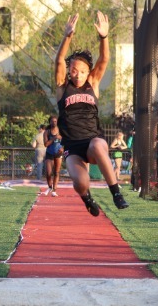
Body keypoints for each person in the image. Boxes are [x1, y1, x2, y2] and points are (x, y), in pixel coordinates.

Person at [54, 11, 128, 215]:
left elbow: (104, 59)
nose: (77, 75)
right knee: (81, 182)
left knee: (96, 145)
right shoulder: (62, 87)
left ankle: (116, 192)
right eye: (74, 71)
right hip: (73, 146)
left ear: (88, 72)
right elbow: (59, 60)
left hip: (93, 140)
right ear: (69, 71)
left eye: (82, 71)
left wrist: (104, 37)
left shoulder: (92, 84)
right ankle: (87, 198)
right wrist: (67, 36)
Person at [43, 115, 63, 196]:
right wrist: (54, 138)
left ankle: (54, 190)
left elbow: (66, 141)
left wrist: (63, 148)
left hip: (58, 153)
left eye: (55, 121)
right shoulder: (47, 132)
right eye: (52, 121)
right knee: (48, 173)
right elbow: (46, 144)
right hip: (49, 153)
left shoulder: (61, 130)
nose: (54, 123)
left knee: (56, 172)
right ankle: (50, 187)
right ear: (50, 122)